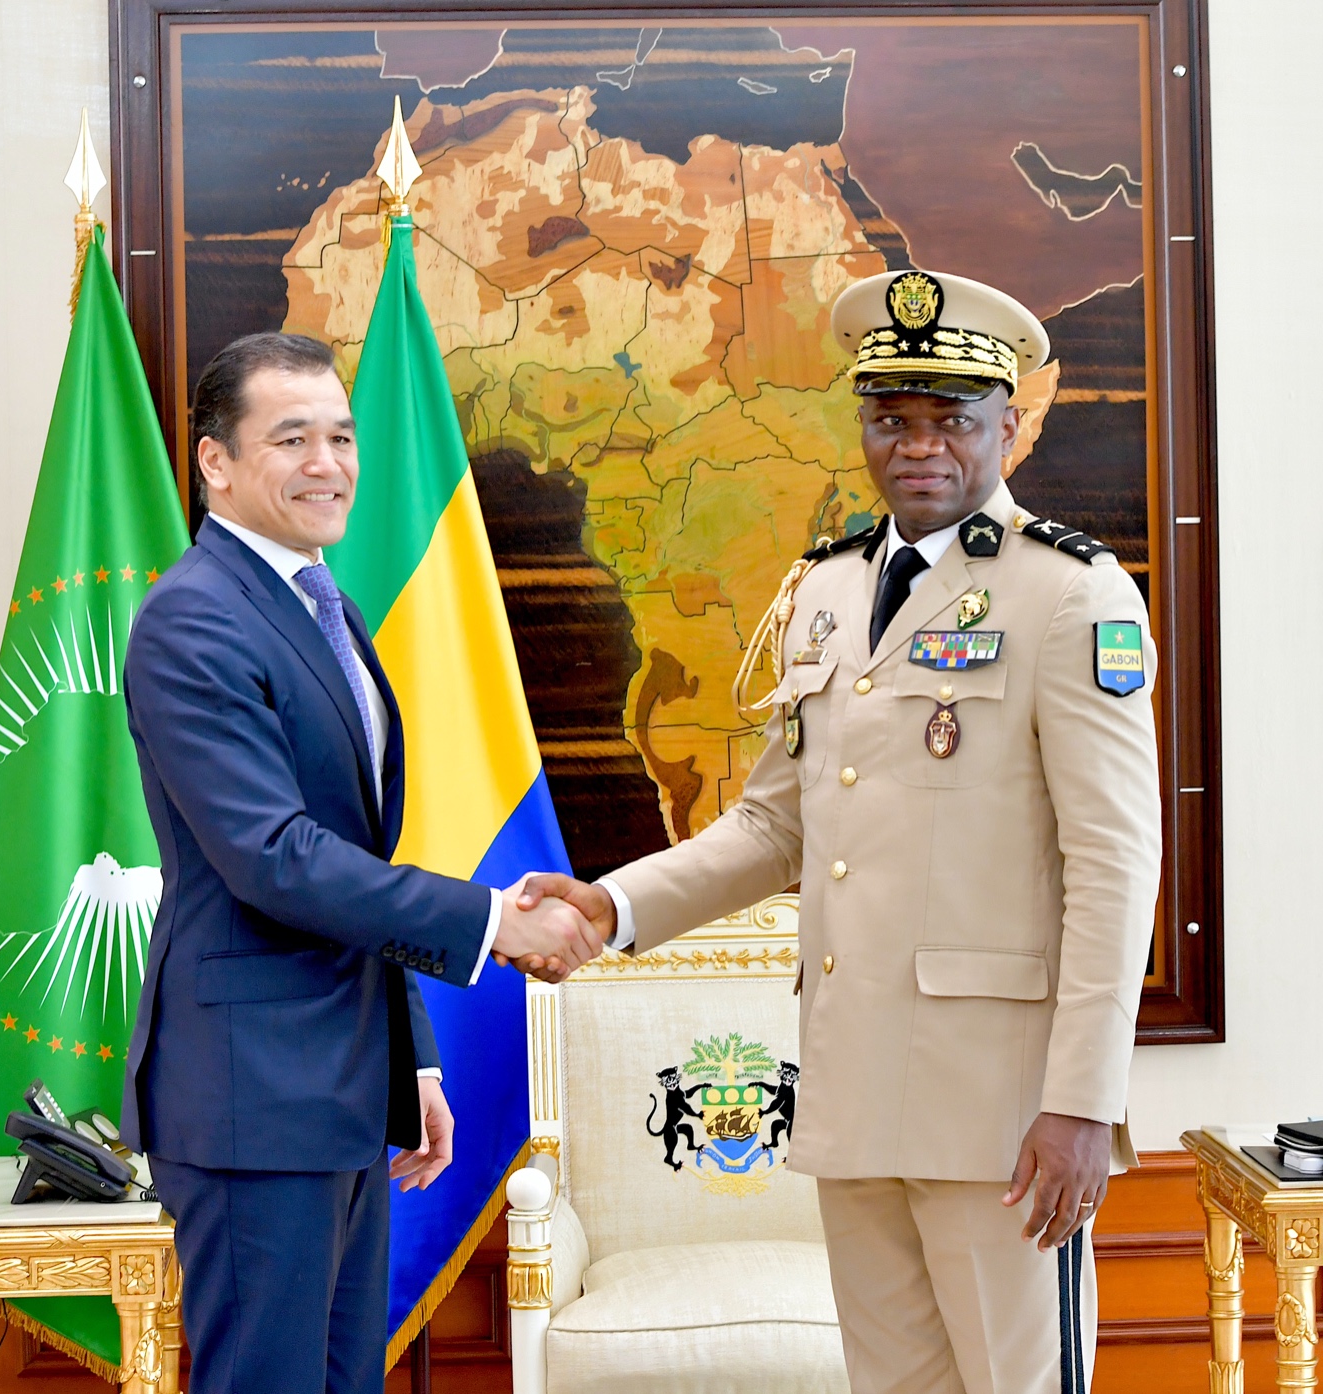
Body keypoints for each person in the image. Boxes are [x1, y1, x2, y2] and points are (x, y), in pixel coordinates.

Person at [516, 270, 1161, 1394]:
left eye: (951, 419)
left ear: (1008, 425)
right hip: (856, 1090)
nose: (919, 447)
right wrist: (612, 905)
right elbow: (776, 822)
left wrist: (1083, 1102)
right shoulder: (825, 589)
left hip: (1006, 1111)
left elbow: (1114, 862)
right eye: (891, 419)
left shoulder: (1072, 594)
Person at [120, 332, 600, 1394]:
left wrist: (410, 1058)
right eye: (291, 438)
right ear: (214, 462)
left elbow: (352, 857)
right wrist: (493, 920)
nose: (328, 463)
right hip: (252, 1098)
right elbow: (276, 858)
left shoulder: (317, 603)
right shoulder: (194, 619)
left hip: (334, 1086)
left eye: (340, 437)